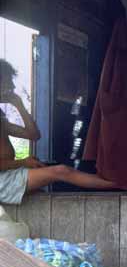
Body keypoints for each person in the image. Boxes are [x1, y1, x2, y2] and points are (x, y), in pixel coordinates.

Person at [0, 59, 117, 205]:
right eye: (8, 81)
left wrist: (19, 105)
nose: (12, 86)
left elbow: (33, 135)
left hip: (7, 176)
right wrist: (23, 162)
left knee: (43, 194)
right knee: (61, 171)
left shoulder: (2, 121)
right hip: (3, 182)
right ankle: (115, 185)